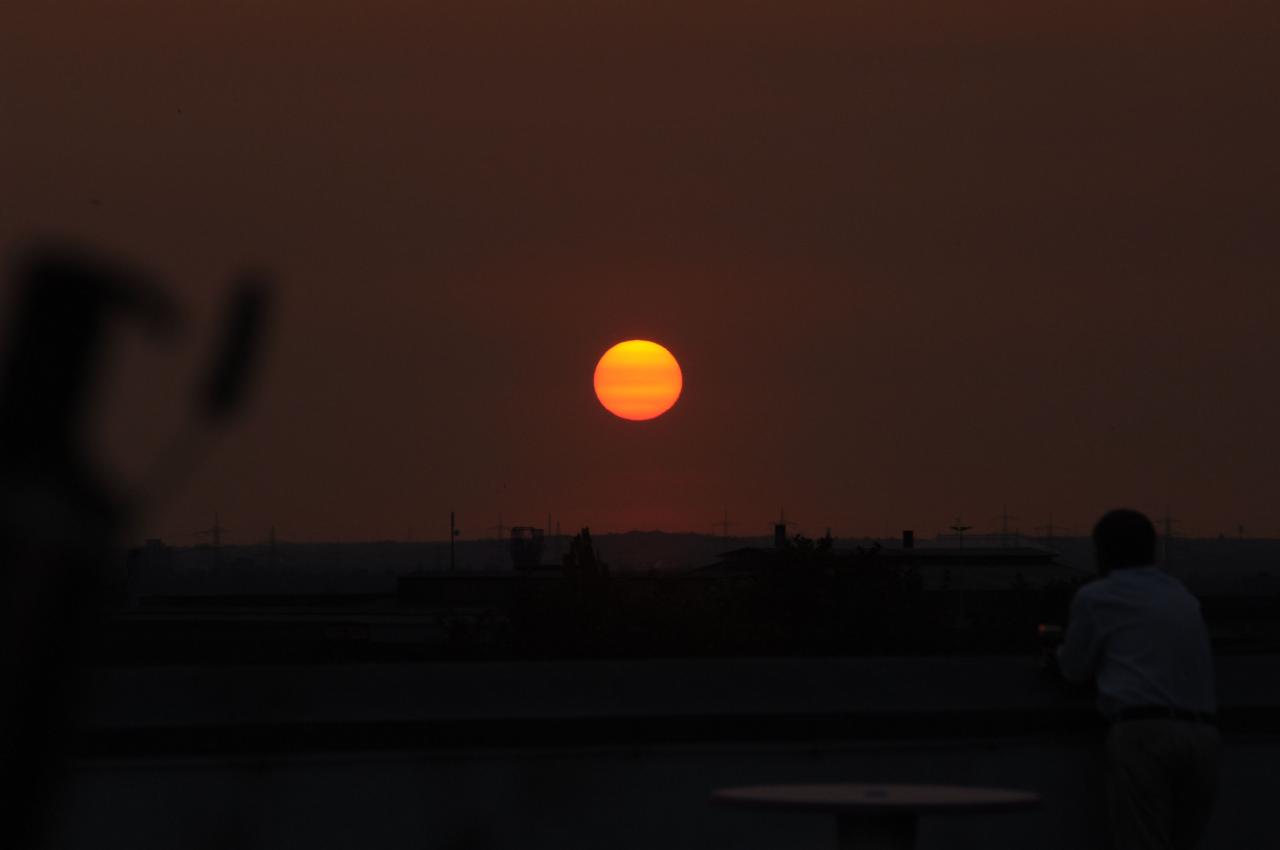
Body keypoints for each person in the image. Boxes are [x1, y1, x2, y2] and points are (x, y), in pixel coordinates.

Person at [1056, 509, 1219, 850]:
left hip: (1143, 733)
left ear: (1103, 553)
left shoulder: (1097, 598)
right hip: (1203, 734)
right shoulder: (1182, 597)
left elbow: (1073, 668)